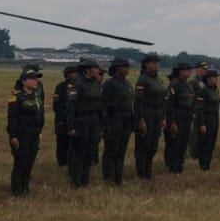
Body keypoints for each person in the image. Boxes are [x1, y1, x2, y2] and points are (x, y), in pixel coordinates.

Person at [64, 59, 105, 188]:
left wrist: (101, 124)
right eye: (95, 68)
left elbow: (100, 105)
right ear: (87, 70)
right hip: (81, 120)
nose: (98, 70)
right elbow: (71, 105)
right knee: (79, 152)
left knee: (90, 151)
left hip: (94, 120)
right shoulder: (78, 83)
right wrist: (70, 126)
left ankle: (85, 180)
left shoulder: (96, 83)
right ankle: (75, 181)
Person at [7, 66, 47, 196]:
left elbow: (41, 115)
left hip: (34, 134)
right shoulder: (16, 97)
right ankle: (16, 190)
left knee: (30, 162)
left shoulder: (36, 97)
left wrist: (40, 131)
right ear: (24, 81)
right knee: (21, 163)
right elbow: (12, 118)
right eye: (32, 78)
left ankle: (25, 189)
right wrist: (13, 136)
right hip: (21, 134)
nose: (36, 81)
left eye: (36, 79)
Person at [101, 57, 134, 185]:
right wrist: (106, 124)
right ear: (117, 68)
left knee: (121, 150)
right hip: (114, 118)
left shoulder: (127, 83)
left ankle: (118, 177)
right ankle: (109, 177)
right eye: (125, 67)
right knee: (111, 150)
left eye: (127, 67)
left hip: (126, 118)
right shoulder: (109, 84)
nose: (127, 69)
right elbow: (103, 105)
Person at [133, 53, 164, 180]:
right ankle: (141, 173)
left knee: (153, 144)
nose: (157, 65)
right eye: (154, 63)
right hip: (146, 113)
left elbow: (163, 99)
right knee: (144, 144)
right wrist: (140, 119)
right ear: (147, 64)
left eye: (157, 62)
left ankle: (148, 171)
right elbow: (138, 102)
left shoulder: (158, 79)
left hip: (158, 113)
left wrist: (163, 118)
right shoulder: (143, 79)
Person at [163, 61, 195, 174]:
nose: (189, 72)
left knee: (183, 144)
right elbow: (170, 106)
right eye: (187, 70)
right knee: (175, 144)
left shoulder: (189, 85)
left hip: (187, 118)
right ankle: (173, 168)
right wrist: (172, 122)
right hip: (178, 117)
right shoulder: (174, 84)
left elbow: (191, 102)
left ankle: (179, 168)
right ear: (181, 72)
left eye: (190, 70)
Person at [193, 64, 220, 171]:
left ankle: (207, 165)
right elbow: (199, 109)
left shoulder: (215, 89)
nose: (217, 79)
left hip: (214, 117)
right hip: (206, 117)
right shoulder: (203, 90)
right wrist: (202, 124)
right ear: (209, 78)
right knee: (205, 143)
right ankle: (203, 166)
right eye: (215, 77)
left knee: (212, 142)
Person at [53, 63, 80, 167]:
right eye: (71, 73)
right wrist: (61, 118)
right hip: (62, 118)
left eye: (74, 73)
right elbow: (56, 105)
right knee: (62, 141)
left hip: (74, 119)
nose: (73, 75)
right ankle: (62, 161)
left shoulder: (78, 86)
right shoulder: (60, 86)